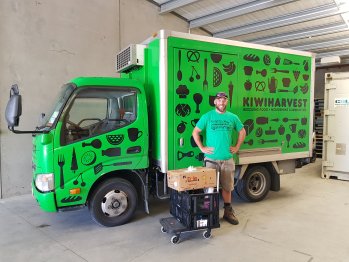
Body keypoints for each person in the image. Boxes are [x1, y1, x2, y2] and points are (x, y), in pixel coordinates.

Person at [192, 92, 246, 225]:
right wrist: (202, 148)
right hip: (211, 160)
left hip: (227, 159)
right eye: (219, 100)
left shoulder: (232, 117)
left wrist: (237, 147)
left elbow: (242, 131)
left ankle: (228, 212)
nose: (222, 102)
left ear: (226, 102)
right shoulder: (208, 116)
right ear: (215, 102)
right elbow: (195, 132)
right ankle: (207, 213)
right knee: (209, 187)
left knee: (227, 188)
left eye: (224, 100)